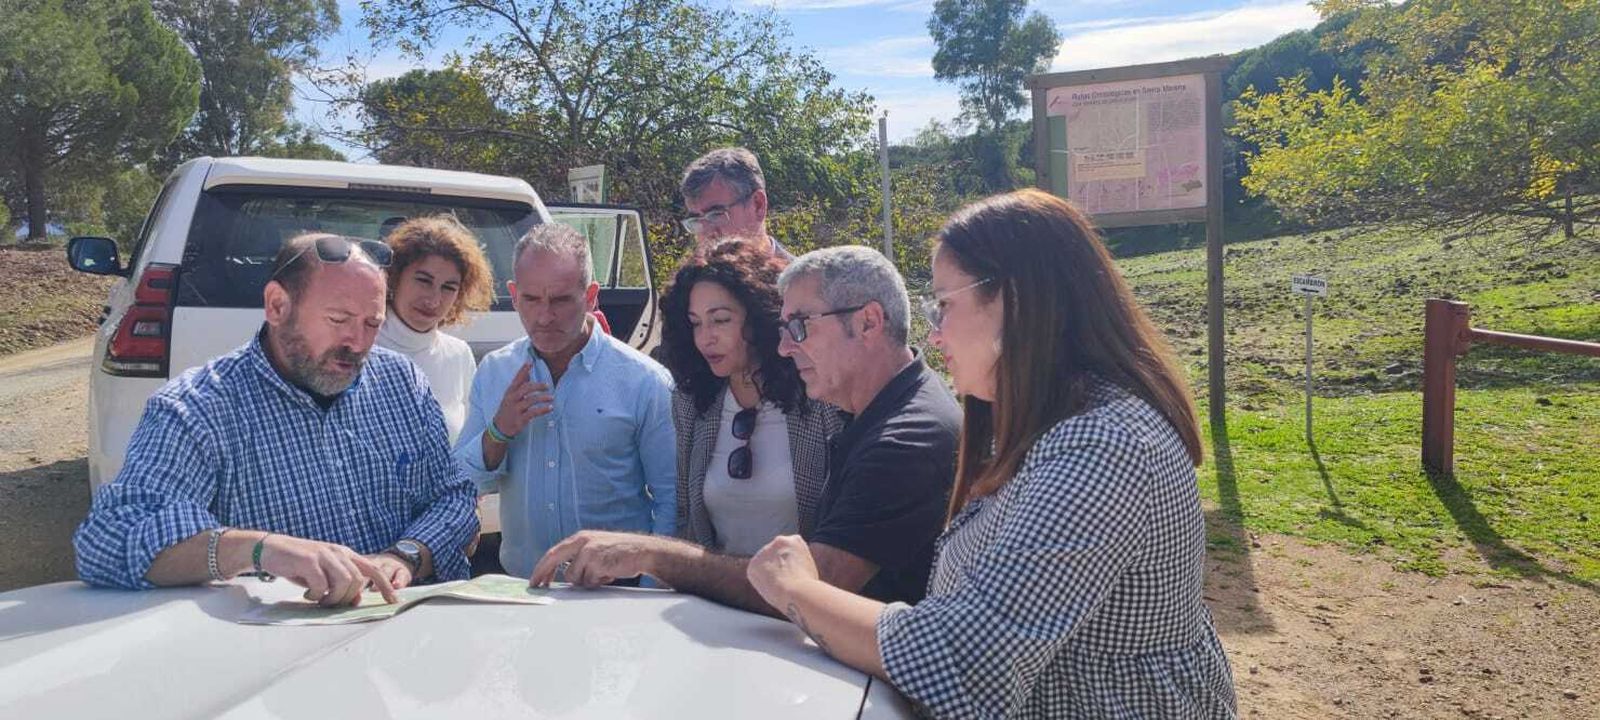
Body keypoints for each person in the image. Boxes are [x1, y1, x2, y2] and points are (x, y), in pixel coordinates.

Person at [744, 190, 1238, 718]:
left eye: (946, 306)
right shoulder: (1050, 423)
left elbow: (968, 660)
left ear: (1015, 300)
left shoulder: (1101, 444)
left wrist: (796, 588)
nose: (933, 335)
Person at [530, 245, 959, 612]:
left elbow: (815, 586)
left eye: (799, 326)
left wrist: (651, 554)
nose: (786, 346)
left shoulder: (904, 435)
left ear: (868, 322)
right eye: (696, 323)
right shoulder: (878, 410)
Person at [74, 233, 480, 606]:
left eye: (372, 324)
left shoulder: (401, 382)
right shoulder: (197, 408)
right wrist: (260, 550)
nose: (357, 343)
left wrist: (406, 555)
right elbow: (110, 540)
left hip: (403, 644)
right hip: (275, 661)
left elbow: (454, 496)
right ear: (277, 305)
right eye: (338, 320)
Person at [454, 223, 676, 579]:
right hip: (522, 593)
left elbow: (672, 500)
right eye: (531, 299)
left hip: (615, 599)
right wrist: (499, 432)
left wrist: (647, 593)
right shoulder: (496, 372)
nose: (544, 316)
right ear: (513, 295)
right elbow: (461, 484)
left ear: (590, 297)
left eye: (560, 300)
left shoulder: (644, 382)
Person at [660, 240, 844, 555]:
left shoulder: (819, 399)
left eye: (720, 320)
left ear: (759, 316)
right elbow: (685, 518)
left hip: (801, 596)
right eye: (695, 324)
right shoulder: (691, 402)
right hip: (713, 595)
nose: (706, 338)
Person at [377, 215, 494, 443]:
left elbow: (469, 447)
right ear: (394, 277)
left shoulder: (458, 355)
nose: (433, 299)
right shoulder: (360, 346)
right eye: (423, 280)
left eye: (448, 288)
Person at [680, 147, 792, 259]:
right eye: (695, 221)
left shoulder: (802, 276)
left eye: (715, 215)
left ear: (758, 205)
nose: (707, 233)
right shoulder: (690, 275)